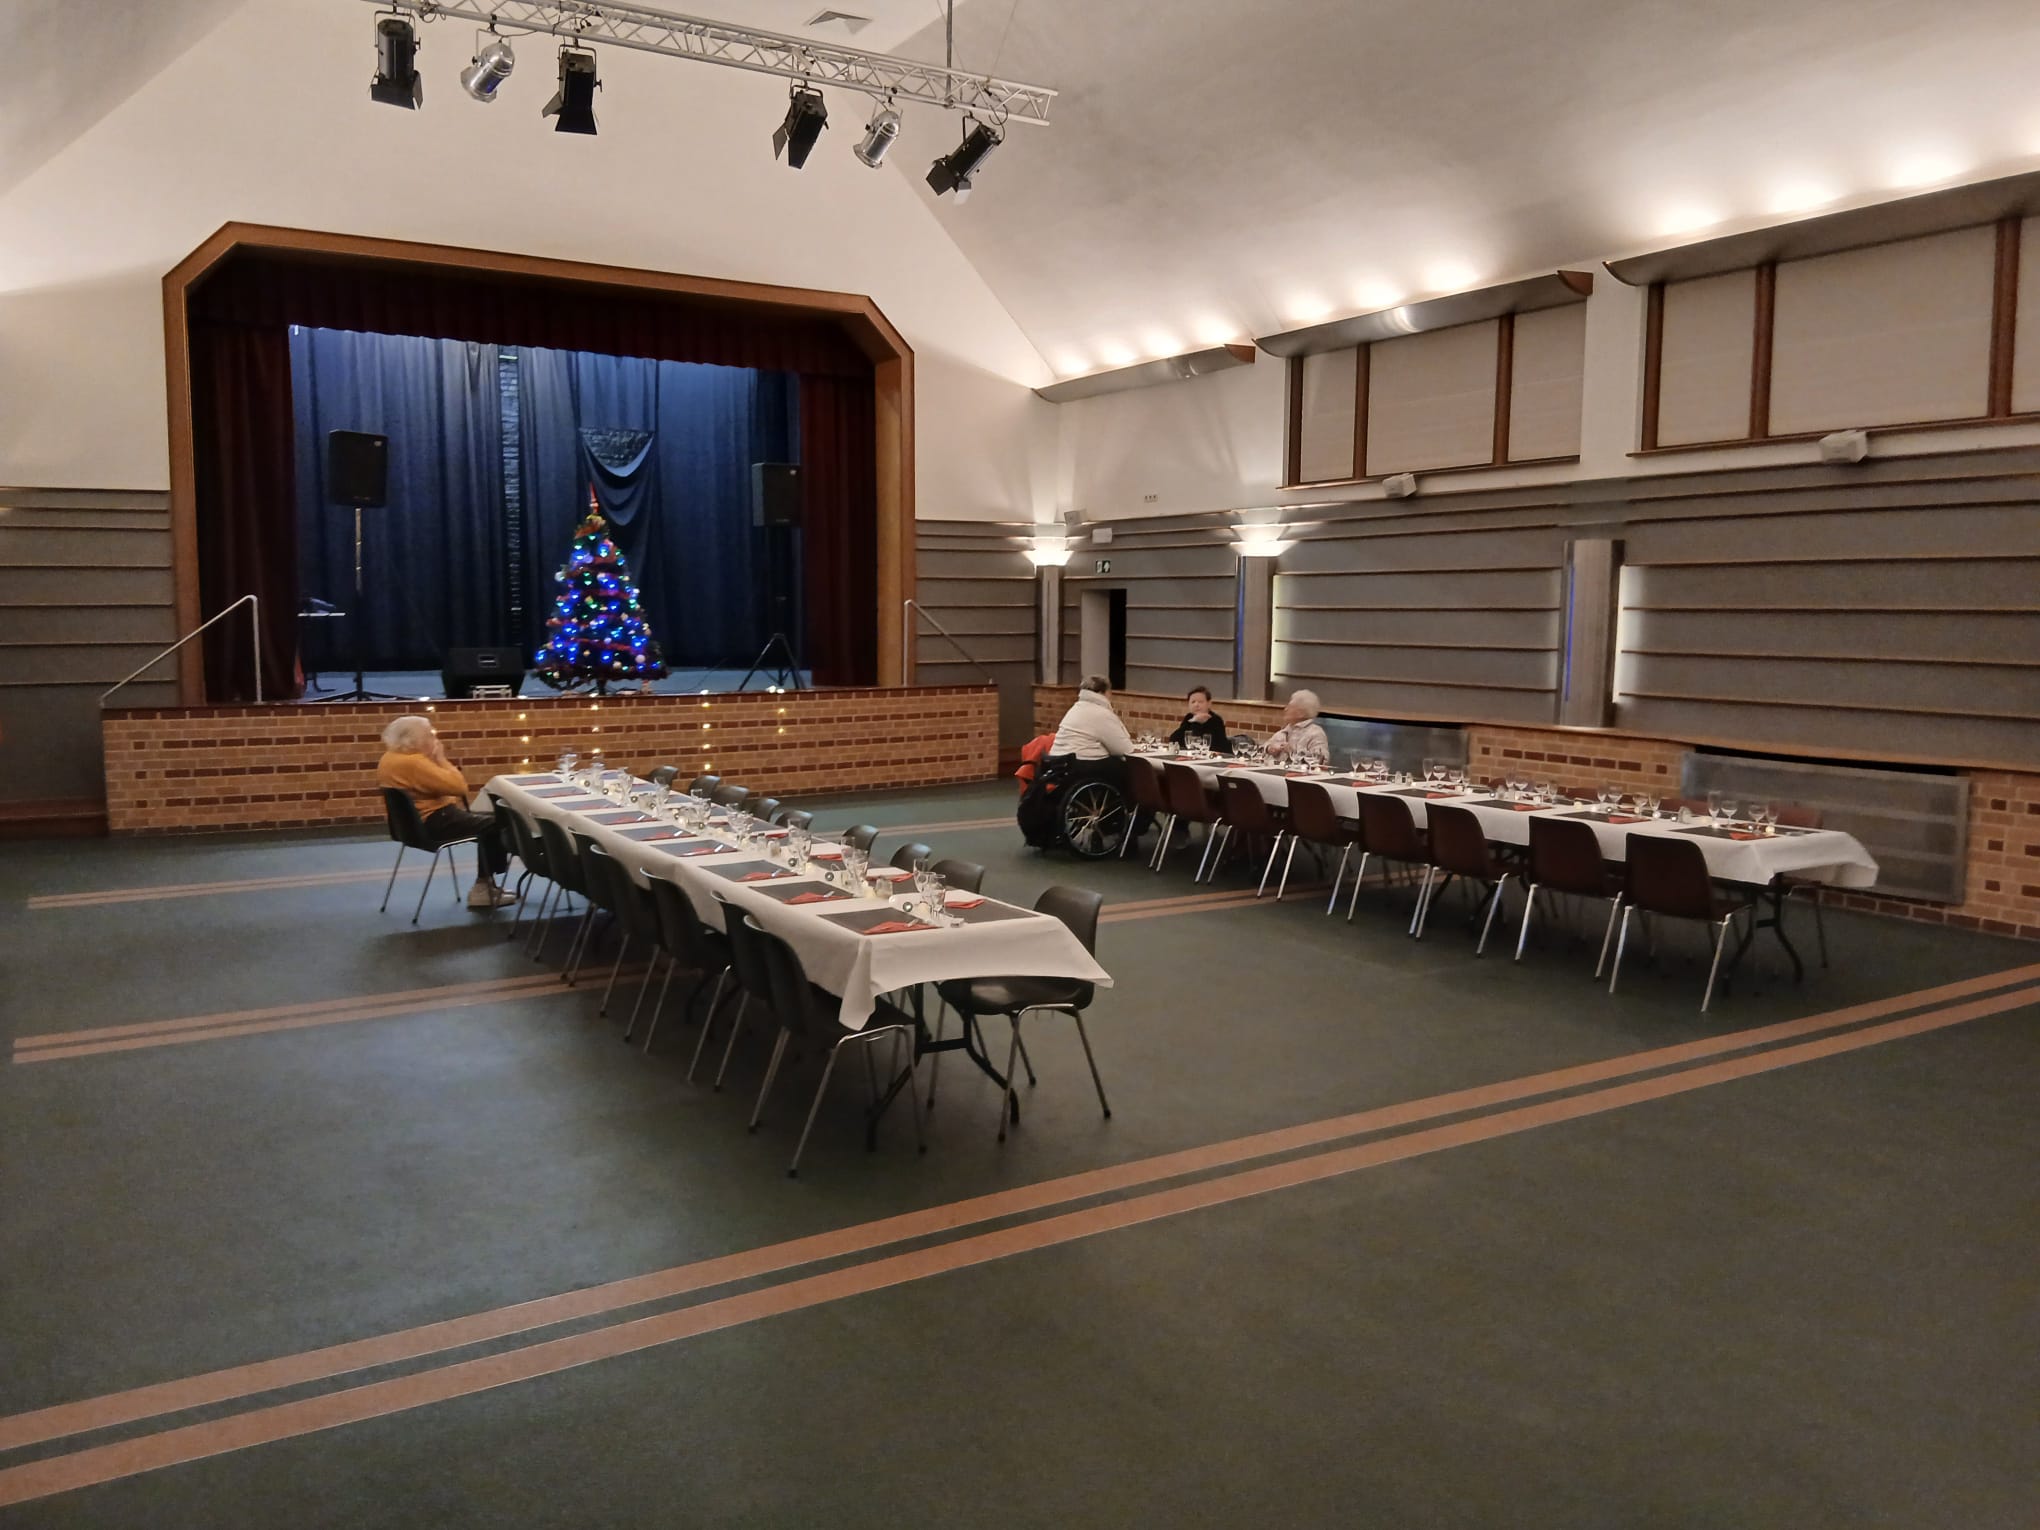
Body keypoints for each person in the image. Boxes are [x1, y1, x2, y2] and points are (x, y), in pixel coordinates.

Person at [376, 715, 517, 909]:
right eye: (430, 734)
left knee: (489, 820)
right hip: (435, 821)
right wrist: (440, 759)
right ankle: (483, 888)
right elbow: (459, 787)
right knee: (498, 824)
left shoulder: (389, 758)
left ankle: (487, 885)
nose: (435, 738)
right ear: (414, 741)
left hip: (412, 827)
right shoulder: (415, 763)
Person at [1050, 675, 1134, 760]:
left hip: (1056, 760)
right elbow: (1124, 750)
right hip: (1081, 762)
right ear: (1102, 692)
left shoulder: (1075, 709)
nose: (1111, 696)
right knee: (1122, 764)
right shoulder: (1102, 714)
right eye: (1110, 692)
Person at [1264, 689, 1330, 763]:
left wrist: (1293, 752)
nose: (1285, 709)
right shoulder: (1285, 731)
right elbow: (1261, 750)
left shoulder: (1315, 733)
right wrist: (1269, 748)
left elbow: (1322, 760)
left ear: (1301, 713)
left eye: (1290, 707)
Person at [1167, 686, 1229, 752]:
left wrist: (1198, 723)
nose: (1196, 705)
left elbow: (1217, 746)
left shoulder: (1215, 720)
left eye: (1200, 702)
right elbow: (1173, 740)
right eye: (1193, 702)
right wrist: (1193, 721)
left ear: (1209, 703)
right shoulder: (1189, 717)